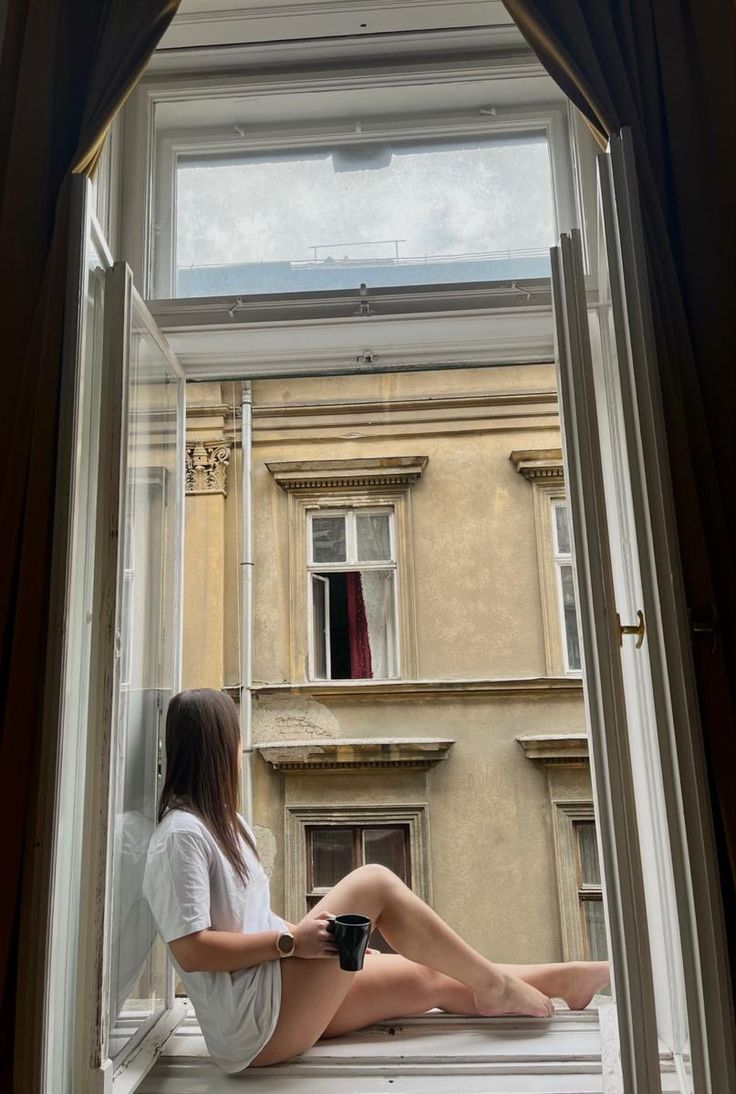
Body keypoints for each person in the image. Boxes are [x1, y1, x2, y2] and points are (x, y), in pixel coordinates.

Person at [143, 688, 610, 1074]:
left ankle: (566, 980)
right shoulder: (181, 836)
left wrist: (324, 944)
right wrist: (291, 943)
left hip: (275, 997)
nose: (241, 752)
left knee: (431, 978)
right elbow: (192, 949)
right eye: (237, 740)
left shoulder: (227, 824)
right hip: (254, 1025)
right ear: (219, 748)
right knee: (373, 882)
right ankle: (497, 985)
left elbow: (248, 918)